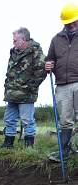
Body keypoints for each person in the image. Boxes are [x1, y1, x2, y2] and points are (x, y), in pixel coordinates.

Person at [1, 27, 47, 149]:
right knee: (9, 119)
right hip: (11, 93)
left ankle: (29, 145)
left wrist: (29, 88)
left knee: (27, 120)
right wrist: (8, 87)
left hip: (26, 94)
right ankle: (8, 143)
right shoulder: (13, 52)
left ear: (24, 39)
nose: (13, 42)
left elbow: (41, 72)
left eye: (15, 40)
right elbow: (9, 72)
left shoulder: (35, 51)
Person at [45, 2, 78, 163]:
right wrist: (48, 65)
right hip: (62, 85)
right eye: (68, 22)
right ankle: (65, 151)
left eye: (73, 21)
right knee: (65, 120)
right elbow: (49, 59)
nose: (71, 24)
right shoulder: (56, 39)